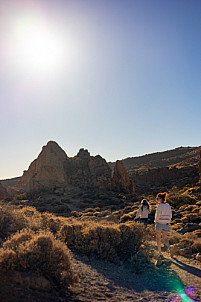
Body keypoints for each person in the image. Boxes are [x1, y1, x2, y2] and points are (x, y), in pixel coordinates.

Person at [155, 192, 173, 258]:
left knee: (158, 238)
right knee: (165, 238)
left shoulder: (159, 206)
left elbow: (157, 215)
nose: (156, 199)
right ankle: (170, 248)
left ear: (160, 199)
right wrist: (168, 221)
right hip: (166, 223)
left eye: (157, 198)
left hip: (159, 223)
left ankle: (160, 253)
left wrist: (155, 221)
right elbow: (170, 214)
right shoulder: (168, 205)